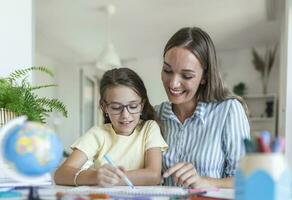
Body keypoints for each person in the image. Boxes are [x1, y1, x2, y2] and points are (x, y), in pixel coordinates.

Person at [155, 27, 250, 188]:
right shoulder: (156, 114)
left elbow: (246, 180)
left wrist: (203, 181)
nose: (173, 83)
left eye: (187, 76)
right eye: (167, 70)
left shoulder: (228, 111)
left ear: (204, 77)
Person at [54, 68, 168, 187]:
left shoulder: (149, 129)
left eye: (133, 106)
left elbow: (153, 176)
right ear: (104, 107)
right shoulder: (97, 134)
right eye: (116, 107)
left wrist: (112, 180)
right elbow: (60, 174)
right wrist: (95, 177)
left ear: (142, 105)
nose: (125, 115)